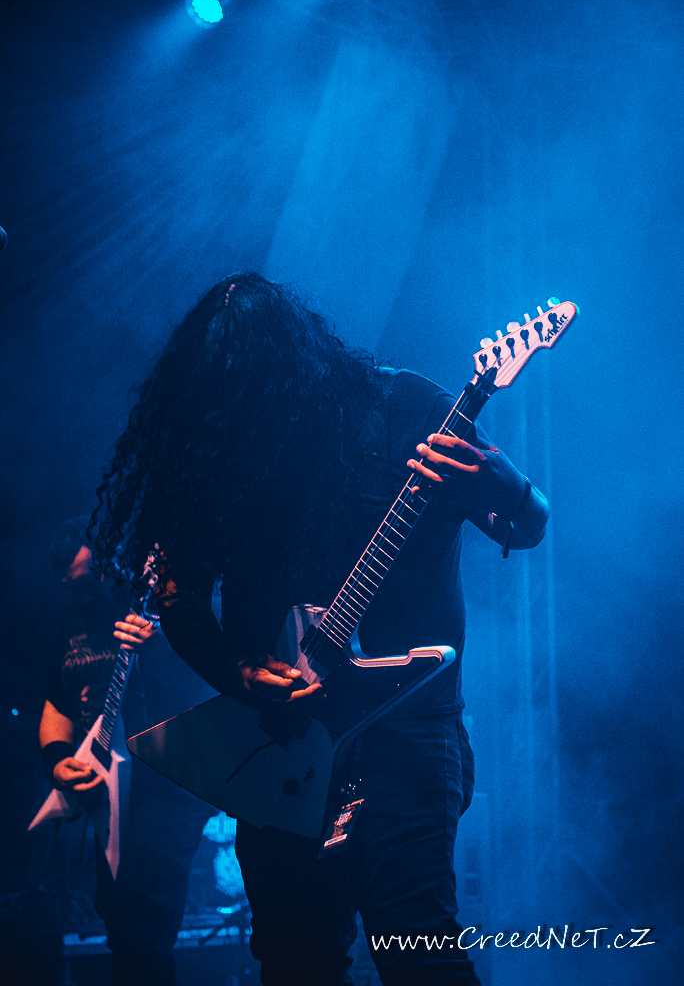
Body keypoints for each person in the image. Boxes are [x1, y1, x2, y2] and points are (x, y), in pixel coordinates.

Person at [90, 272, 548, 986]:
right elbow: (179, 598)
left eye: (251, 400)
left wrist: (506, 484)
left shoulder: (405, 409)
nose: (238, 421)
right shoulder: (213, 454)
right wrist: (237, 671)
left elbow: (526, 526)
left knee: (418, 946)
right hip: (282, 741)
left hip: (405, 729)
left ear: (292, 377)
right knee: (295, 960)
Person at [38, 518, 215, 986]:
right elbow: (57, 705)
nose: (90, 584)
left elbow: (213, 676)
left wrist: (162, 645)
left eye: (94, 572)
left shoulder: (157, 604)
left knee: (145, 927)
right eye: (75, 582)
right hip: (107, 788)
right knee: (119, 926)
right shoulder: (73, 623)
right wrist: (57, 761)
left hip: (165, 781)